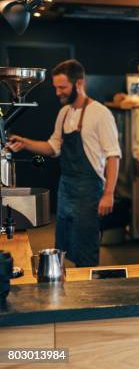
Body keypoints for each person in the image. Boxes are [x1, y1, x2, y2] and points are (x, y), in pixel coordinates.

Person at [8, 59, 121, 267]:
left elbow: (113, 156)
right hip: (66, 189)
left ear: (79, 84)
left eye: (62, 87)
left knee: (86, 250)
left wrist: (109, 193)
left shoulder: (100, 114)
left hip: (89, 192)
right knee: (65, 246)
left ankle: (89, 295)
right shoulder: (64, 113)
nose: (58, 92)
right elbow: (53, 147)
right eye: (56, 87)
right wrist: (25, 143)